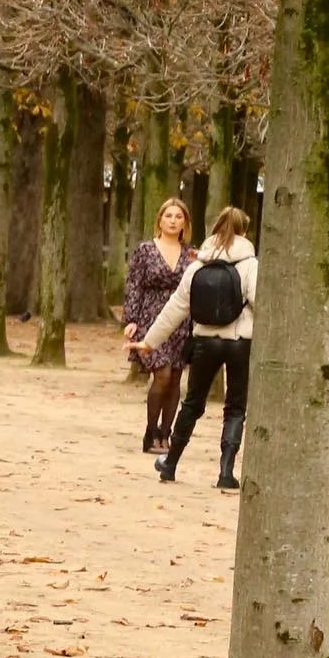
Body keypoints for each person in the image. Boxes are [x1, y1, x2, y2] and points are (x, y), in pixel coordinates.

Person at [136, 205, 258, 490]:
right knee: (236, 407)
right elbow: (260, 303)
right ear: (244, 231)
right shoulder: (251, 266)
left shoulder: (198, 265)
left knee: (192, 403)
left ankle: (171, 463)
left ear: (215, 228)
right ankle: (226, 472)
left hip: (205, 342)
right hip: (240, 343)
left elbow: (175, 308)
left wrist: (149, 342)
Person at [122, 197, 197, 453]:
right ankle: (151, 432)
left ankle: (167, 435)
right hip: (150, 318)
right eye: (169, 216)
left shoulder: (191, 253)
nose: (173, 221)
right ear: (160, 220)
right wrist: (131, 319)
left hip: (181, 320)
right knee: (162, 374)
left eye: (178, 217)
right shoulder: (146, 250)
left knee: (176, 378)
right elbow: (134, 285)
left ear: (185, 222)